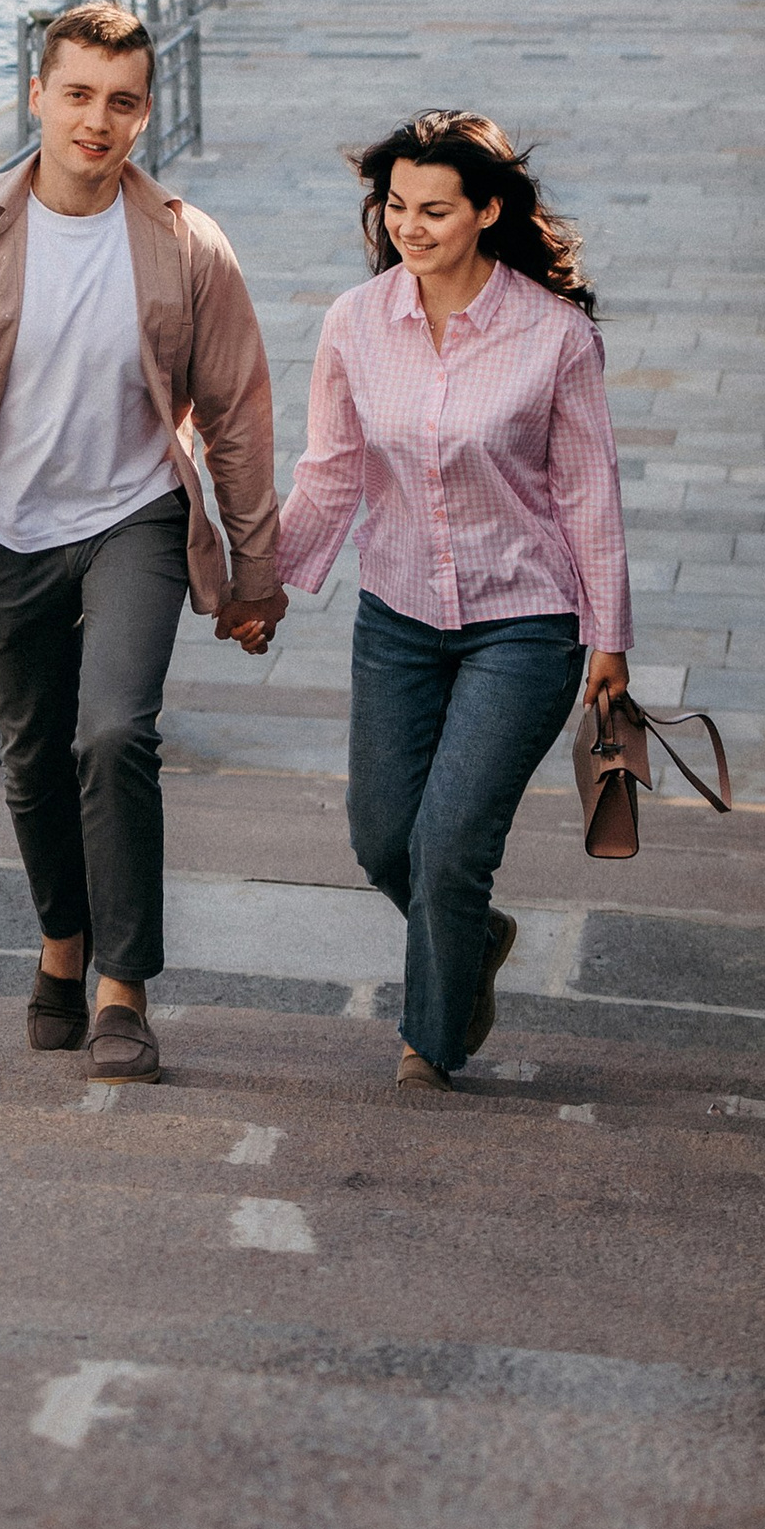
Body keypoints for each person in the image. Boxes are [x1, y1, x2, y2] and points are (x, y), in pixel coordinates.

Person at [0, 0, 284, 1083]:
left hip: (135, 518)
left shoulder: (185, 244)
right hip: (6, 535)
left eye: (120, 101)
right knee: (29, 759)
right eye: (75, 96)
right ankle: (61, 943)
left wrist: (256, 572)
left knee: (111, 734)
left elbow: (238, 412)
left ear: (145, 113)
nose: (95, 121)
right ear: (37, 98)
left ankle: (121, 990)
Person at [277, 110, 631, 1093]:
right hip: (395, 614)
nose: (410, 226)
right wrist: (262, 588)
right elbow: (330, 474)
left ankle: (429, 1044)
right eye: (395, 206)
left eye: (435, 209)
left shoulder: (555, 337)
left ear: (486, 210)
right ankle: (476, 937)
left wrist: (608, 641)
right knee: (382, 836)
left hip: (525, 619)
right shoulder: (353, 324)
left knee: (446, 842)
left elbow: (589, 493)